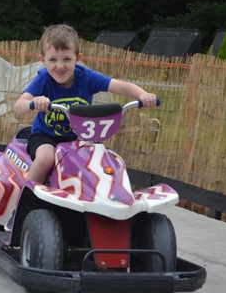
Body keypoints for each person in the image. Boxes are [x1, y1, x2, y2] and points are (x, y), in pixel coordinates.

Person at [13, 24, 157, 184]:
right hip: (45, 136)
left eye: (67, 59)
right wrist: (34, 101)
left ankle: (105, 198)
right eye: (53, 59)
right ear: (43, 60)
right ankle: (26, 197)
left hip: (79, 136)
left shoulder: (87, 78)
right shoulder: (44, 80)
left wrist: (143, 95)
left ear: (78, 58)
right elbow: (18, 107)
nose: (60, 66)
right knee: (46, 157)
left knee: (106, 159)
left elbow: (121, 86)